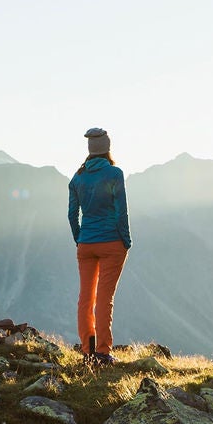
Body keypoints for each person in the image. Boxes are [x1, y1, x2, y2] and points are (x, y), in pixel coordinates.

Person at [68, 126, 131, 370]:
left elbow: (72, 215)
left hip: (86, 244)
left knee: (86, 298)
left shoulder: (77, 178)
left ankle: (88, 351)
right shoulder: (115, 174)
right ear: (107, 148)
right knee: (105, 299)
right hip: (112, 243)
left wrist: (80, 238)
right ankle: (103, 353)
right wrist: (125, 240)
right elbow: (121, 212)